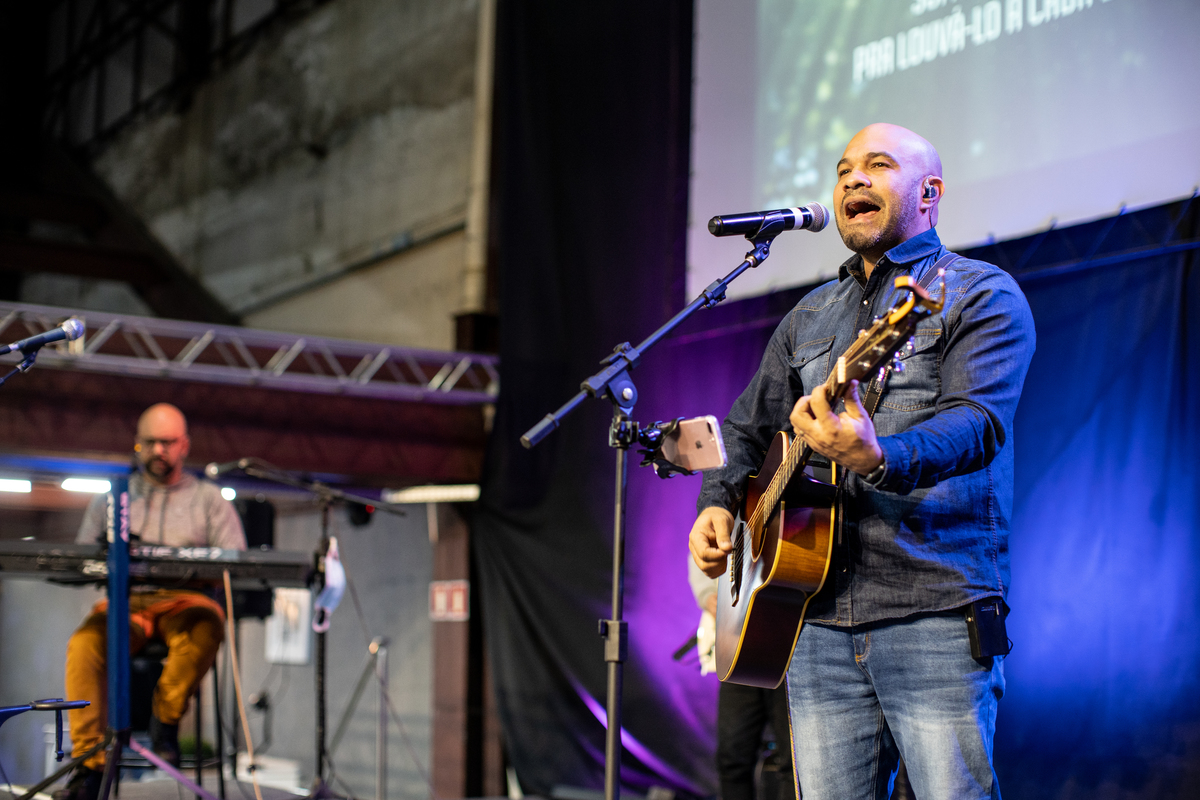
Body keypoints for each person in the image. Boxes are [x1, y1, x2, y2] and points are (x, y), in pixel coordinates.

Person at [688, 123, 1035, 800]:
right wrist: (718, 504)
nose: (852, 179)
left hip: (933, 608)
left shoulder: (979, 295)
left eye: (877, 165)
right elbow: (746, 428)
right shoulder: (809, 316)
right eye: (844, 169)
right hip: (813, 620)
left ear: (929, 193)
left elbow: (978, 424)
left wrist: (881, 454)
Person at [57, 403, 246, 800]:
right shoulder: (113, 498)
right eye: (152, 442)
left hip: (186, 603)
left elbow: (236, 559)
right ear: (138, 445)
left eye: (169, 442)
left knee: (208, 623)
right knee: (85, 645)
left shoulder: (210, 500)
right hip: (127, 603)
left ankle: (166, 720)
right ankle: (89, 766)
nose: (160, 449)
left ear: (185, 446)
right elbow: (81, 558)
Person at [689, 559, 796, 800]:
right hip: (738, 644)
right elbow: (704, 542)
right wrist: (708, 595)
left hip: (788, 640)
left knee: (794, 761)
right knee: (732, 758)